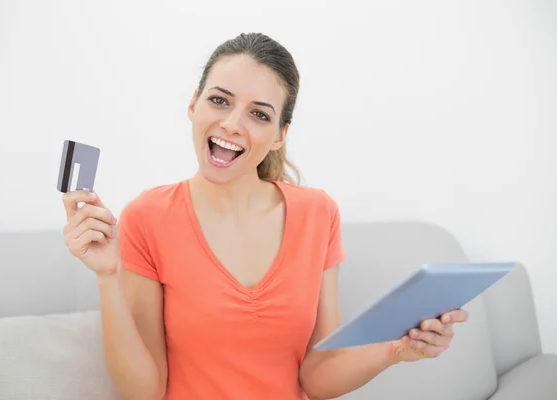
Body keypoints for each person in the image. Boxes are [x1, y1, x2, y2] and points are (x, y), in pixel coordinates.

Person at [61, 32, 469, 400]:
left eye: (259, 114)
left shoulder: (317, 214)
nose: (232, 124)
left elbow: (317, 377)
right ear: (193, 105)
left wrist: (396, 350)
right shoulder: (148, 216)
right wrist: (107, 275)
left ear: (279, 135)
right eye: (219, 100)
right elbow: (145, 392)